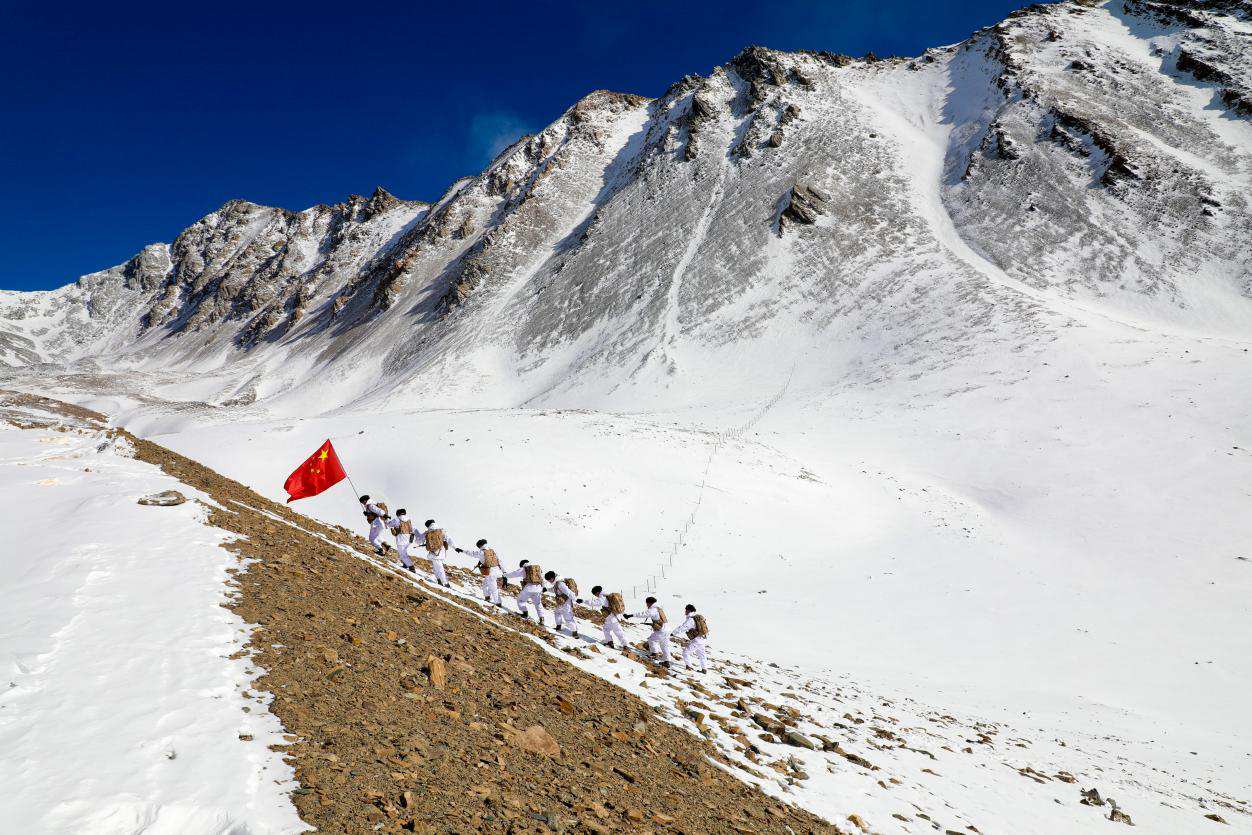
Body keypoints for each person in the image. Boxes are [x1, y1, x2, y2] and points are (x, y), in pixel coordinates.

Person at [456, 539, 503, 605]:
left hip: (490, 572)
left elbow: (472, 553)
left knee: (493, 588)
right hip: (496, 571)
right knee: (485, 585)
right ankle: (487, 597)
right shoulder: (492, 550)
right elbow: (499, 561)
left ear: (480, 546)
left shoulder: (481, 552)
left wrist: (462, 551)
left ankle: (498, 603)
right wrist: (504, 571)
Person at [630, 596, 671, 666]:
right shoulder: (659, 608)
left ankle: (654, 654)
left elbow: (644, 614)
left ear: (649, 603)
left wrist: (631, 615)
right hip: (667, 629)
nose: (646, 605)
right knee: (664, 645)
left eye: (647, 604)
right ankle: (667, 661)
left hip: (662, 629)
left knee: (652, 640)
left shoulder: (653, 609)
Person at [670, 604, 709, 673]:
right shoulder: (698, 617)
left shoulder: (691, 619)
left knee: (685, 652)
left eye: (685, 610)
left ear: (688, 610)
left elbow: (683, 627)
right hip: (703, 638)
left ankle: (689, 666)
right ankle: (704, 669)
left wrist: (673, 633)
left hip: (697, 639)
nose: (685, 611)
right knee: (701, 654)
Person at [419, 519, 452, 587]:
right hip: (441, 551)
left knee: (438, 568)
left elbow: (418, 541)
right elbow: (449, 539)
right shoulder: (441, 530)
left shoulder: (427, 532)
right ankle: (440, 580)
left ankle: (445, 583)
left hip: (433, 552)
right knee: (437, 567)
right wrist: (455, 548)